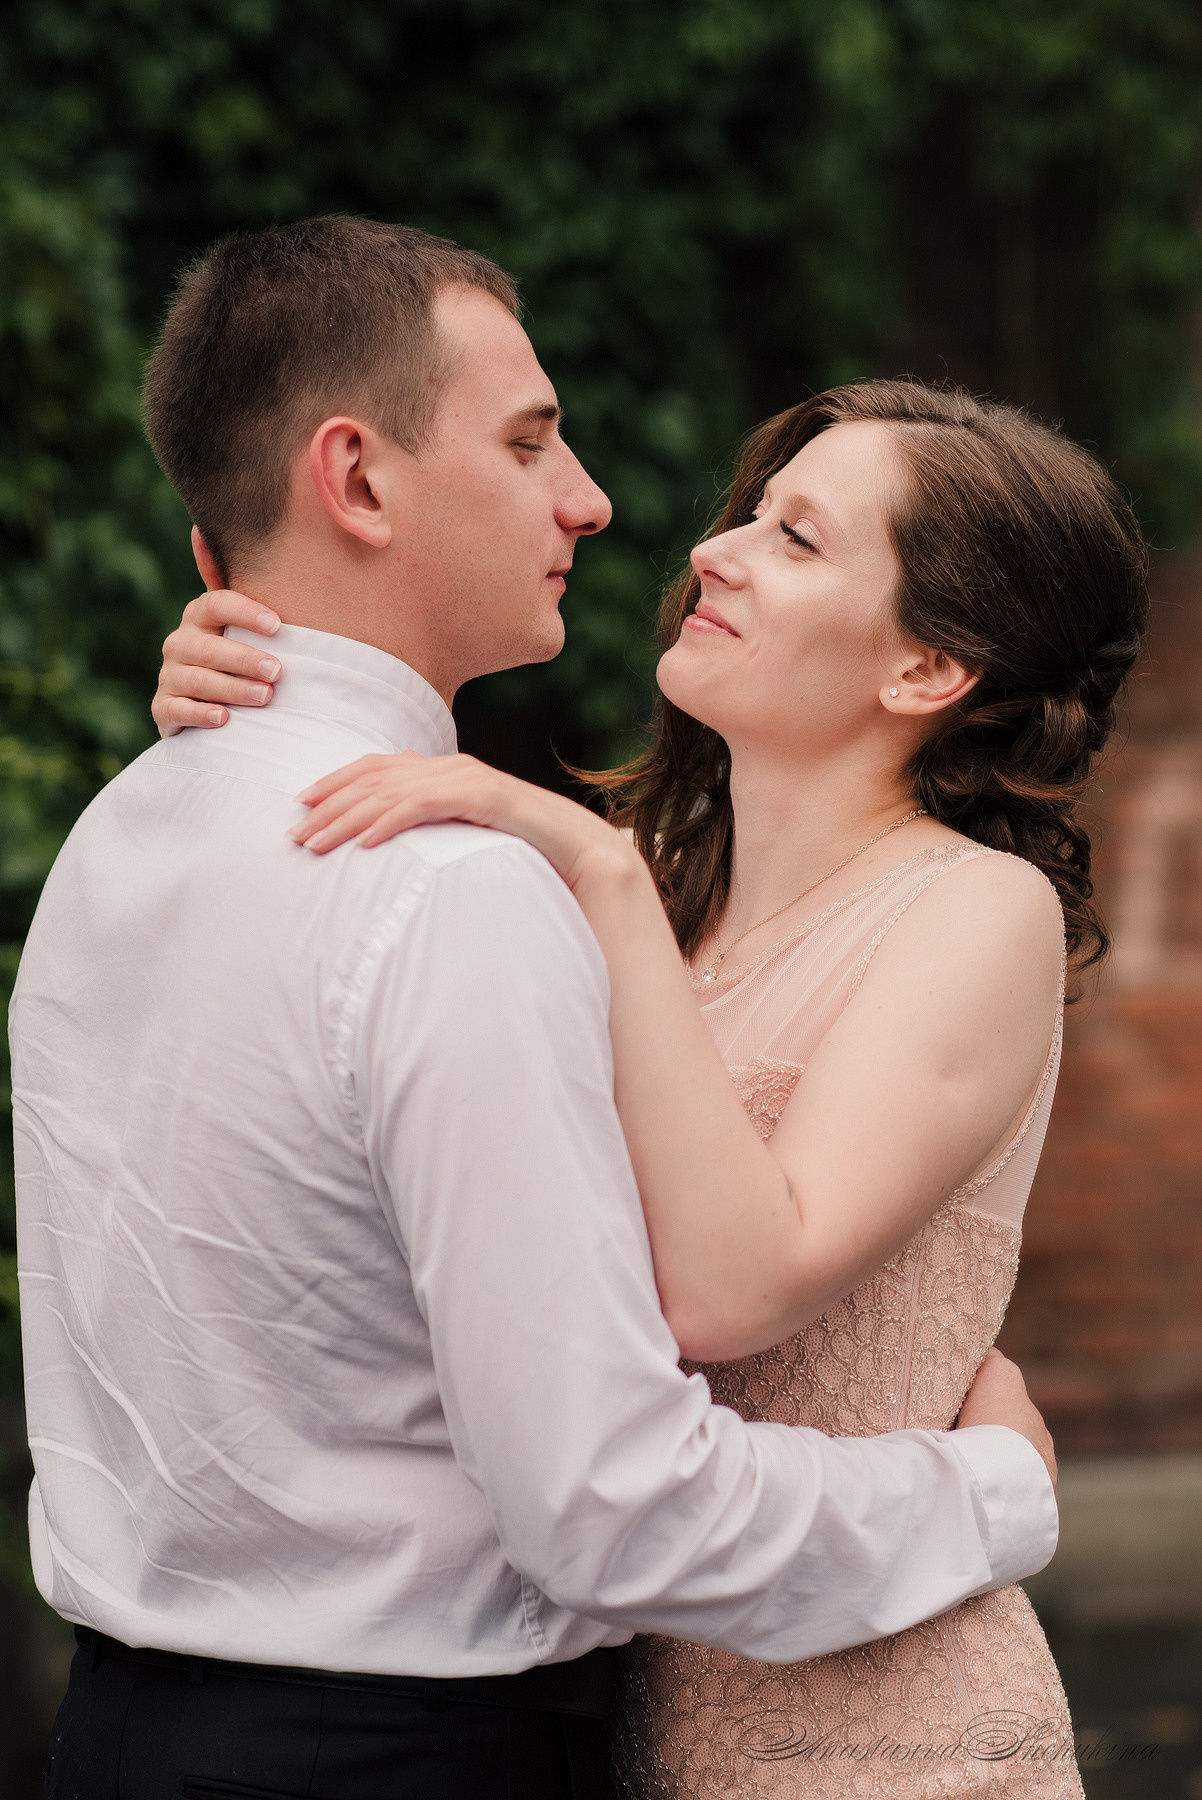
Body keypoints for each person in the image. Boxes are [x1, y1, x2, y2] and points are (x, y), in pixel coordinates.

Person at [13, 217, 1063, 1800]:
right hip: (422, 1737)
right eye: (526, 441)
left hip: (166, 1727)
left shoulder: (136, 823)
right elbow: (610, 1499)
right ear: (357, 480)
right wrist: (989, 1491)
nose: (623, 513)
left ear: (929, 670)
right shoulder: (497, 887)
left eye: (795, 539)